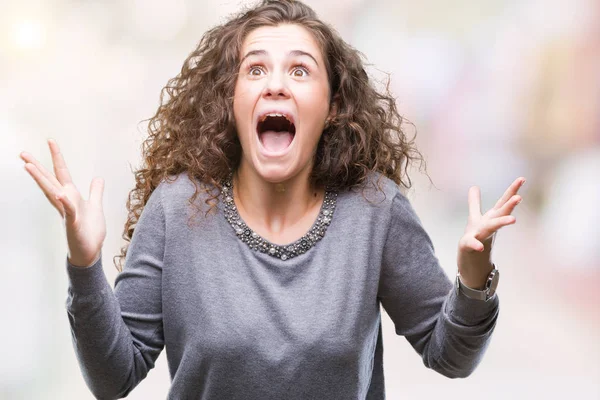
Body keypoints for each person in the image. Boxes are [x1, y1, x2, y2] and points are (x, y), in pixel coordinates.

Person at [19, 0, 525, 398]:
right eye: (255, 70)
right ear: (230, 100)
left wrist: (475, 280)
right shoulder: (175, 210)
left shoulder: (376, 210)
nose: (276, 85)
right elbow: (113, 378)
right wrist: (84, 267)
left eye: (300, 71)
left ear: (331, 107)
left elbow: (451, 358)